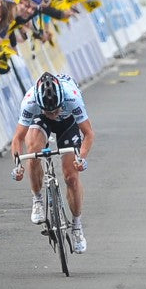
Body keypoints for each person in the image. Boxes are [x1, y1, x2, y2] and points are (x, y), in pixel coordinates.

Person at [10, 73, 94, 254]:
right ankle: (38, 199)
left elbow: (88, 134)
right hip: (41, 122)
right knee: (33, 152)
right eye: (49, 111)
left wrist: (82, 157)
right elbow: (18, 138)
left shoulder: (72, 97)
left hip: (68, 122)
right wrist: (18, 165)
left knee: (71, 176)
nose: (54, 114)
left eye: (56, 110)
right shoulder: (30, 101)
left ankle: (77, 226)